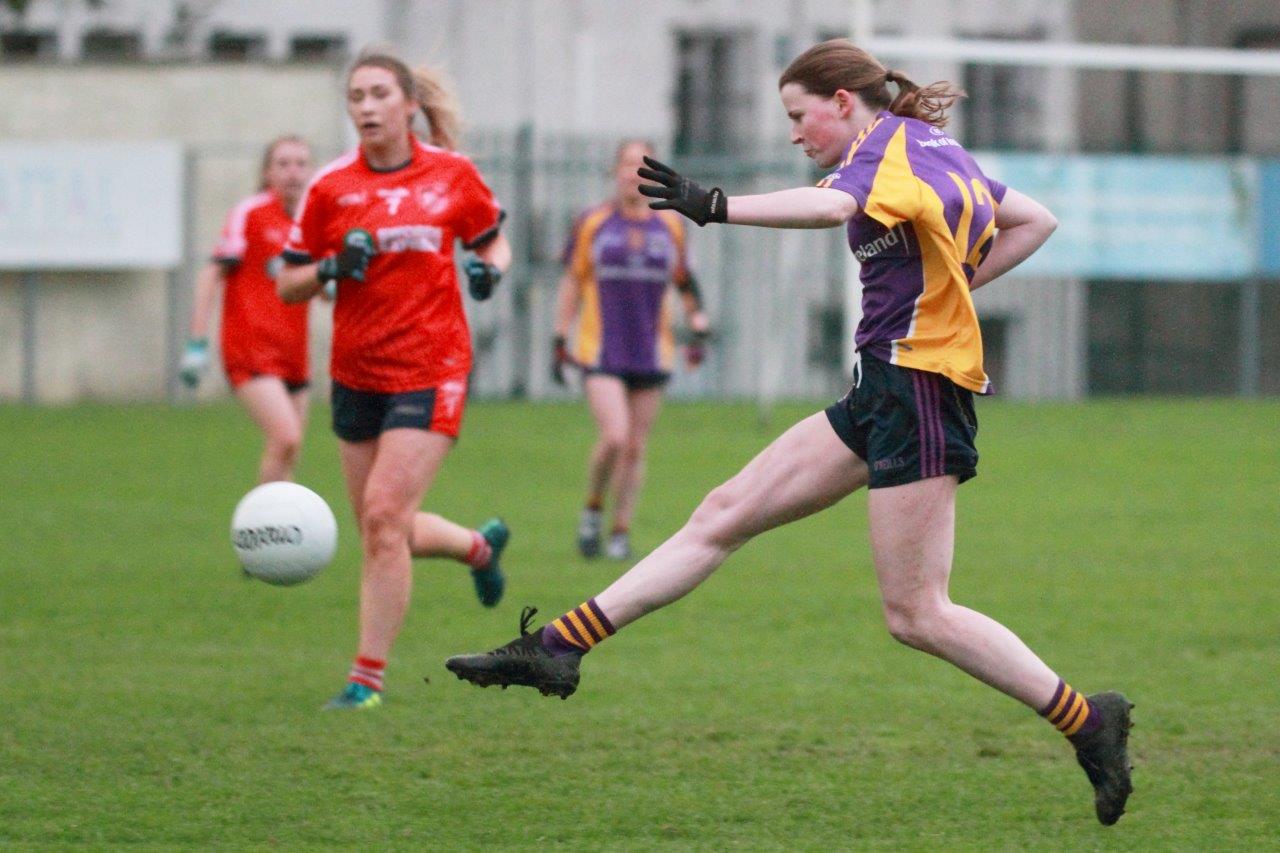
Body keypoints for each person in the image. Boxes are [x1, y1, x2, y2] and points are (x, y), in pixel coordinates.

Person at [445, 39, 1133, 825]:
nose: (796, 135)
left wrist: (718, 206)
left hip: (920, 394)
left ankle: (1089, 720)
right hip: (886, 386)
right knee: (723, 511)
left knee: (917, 613)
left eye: (799, 117)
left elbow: (828, 205)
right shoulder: (926, 148)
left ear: (843, 102)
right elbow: (1033, 219)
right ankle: (559, 647)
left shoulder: (883, 154)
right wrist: (948, 290)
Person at [278, 52, 513, 710]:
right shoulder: (331, 187)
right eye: (356, 96)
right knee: (385, 528)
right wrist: (330, 266)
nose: (367, 106)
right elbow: (287, 282)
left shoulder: (452, 175)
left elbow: (493, 241)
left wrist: (490, 271)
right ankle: (476, 547)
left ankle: (365, 681)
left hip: (433, 367)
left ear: (409, 103)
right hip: (357, 372)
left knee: (384, 518)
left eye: (380, 93)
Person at [552, 139, 711, 561]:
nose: (631, 174)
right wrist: (558, 336)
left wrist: (697, 323)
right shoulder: (594, 222)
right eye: (625, 165)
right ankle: (592, 510)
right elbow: (572, 279)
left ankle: (619, 532)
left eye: (641, 166)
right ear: (614, 171)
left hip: (651, 349)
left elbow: (684, 279)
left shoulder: (670, 225)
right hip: (600, 349)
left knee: (636, 446)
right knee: (615, 436)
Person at [179, 135, 317, 484]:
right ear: (267, 172)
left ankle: (283, 534)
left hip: (294, 353)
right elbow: (212, 273)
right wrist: (197, 341)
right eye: (283, 164)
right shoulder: (251, 213)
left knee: (290, 454)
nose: (293, 172)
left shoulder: (312, 223)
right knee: (286, 437)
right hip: (251, 349)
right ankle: (260, 531)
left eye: (301, 164)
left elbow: (320, 288)